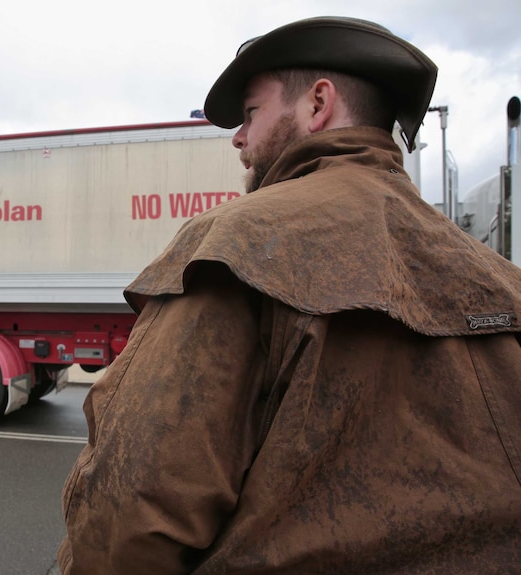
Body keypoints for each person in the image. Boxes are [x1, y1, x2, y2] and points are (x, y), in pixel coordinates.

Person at [58, 17, 521, 574]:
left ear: (317, 103)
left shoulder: (238, 245)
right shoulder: (501, 281)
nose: (237, 137)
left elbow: (130, 506)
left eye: (251, 114)